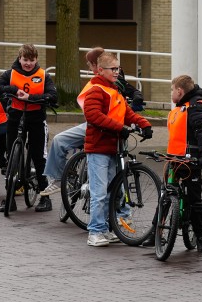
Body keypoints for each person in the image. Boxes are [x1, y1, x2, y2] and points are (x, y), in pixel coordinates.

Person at [40, 48, 145, 197]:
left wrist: (136, 97)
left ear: (97, 66)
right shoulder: (102, 80)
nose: (89, 68)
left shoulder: (109, 79)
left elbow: (125, 91)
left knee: (59, 140)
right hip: (106, 126)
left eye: (89, 64)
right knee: (115, 176)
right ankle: (122, 213)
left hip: (104, 127)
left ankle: (58, 179)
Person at [79, 51, 152, 247]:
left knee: (113, 191)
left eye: (118, 68)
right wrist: (120, 128)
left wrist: (144, 124)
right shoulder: (96, 90)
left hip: (114, 148)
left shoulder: (114, 91)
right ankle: (95, 232)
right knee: (100, 192)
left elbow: (127, 113)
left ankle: (106, 229)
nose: (117, 72)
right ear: (100, 70)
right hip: (99, 148)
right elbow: (93, 115)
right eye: (113, 69)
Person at [0, 44, 58, 213]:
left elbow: (53, 96)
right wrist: (12, 89)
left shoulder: (43, 76)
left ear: (36, 60)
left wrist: (32, 97)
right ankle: (10, 197)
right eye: (25, 60)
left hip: (36, 119)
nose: (28, 63)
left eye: (31, 60)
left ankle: (45, 197)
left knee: (38, 157)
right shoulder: (10, 74)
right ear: (19, 58)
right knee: (12, 155)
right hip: (15, 118)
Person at [163, 74, 202, 252]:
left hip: (191, 161)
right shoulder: (180, 108)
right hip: (174, 160)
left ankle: (199, 236)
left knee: (195, 200)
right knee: (166, 196)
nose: (171, 93)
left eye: (172, 90)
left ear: (179, 90)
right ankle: (157, 230)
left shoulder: (195, 108)